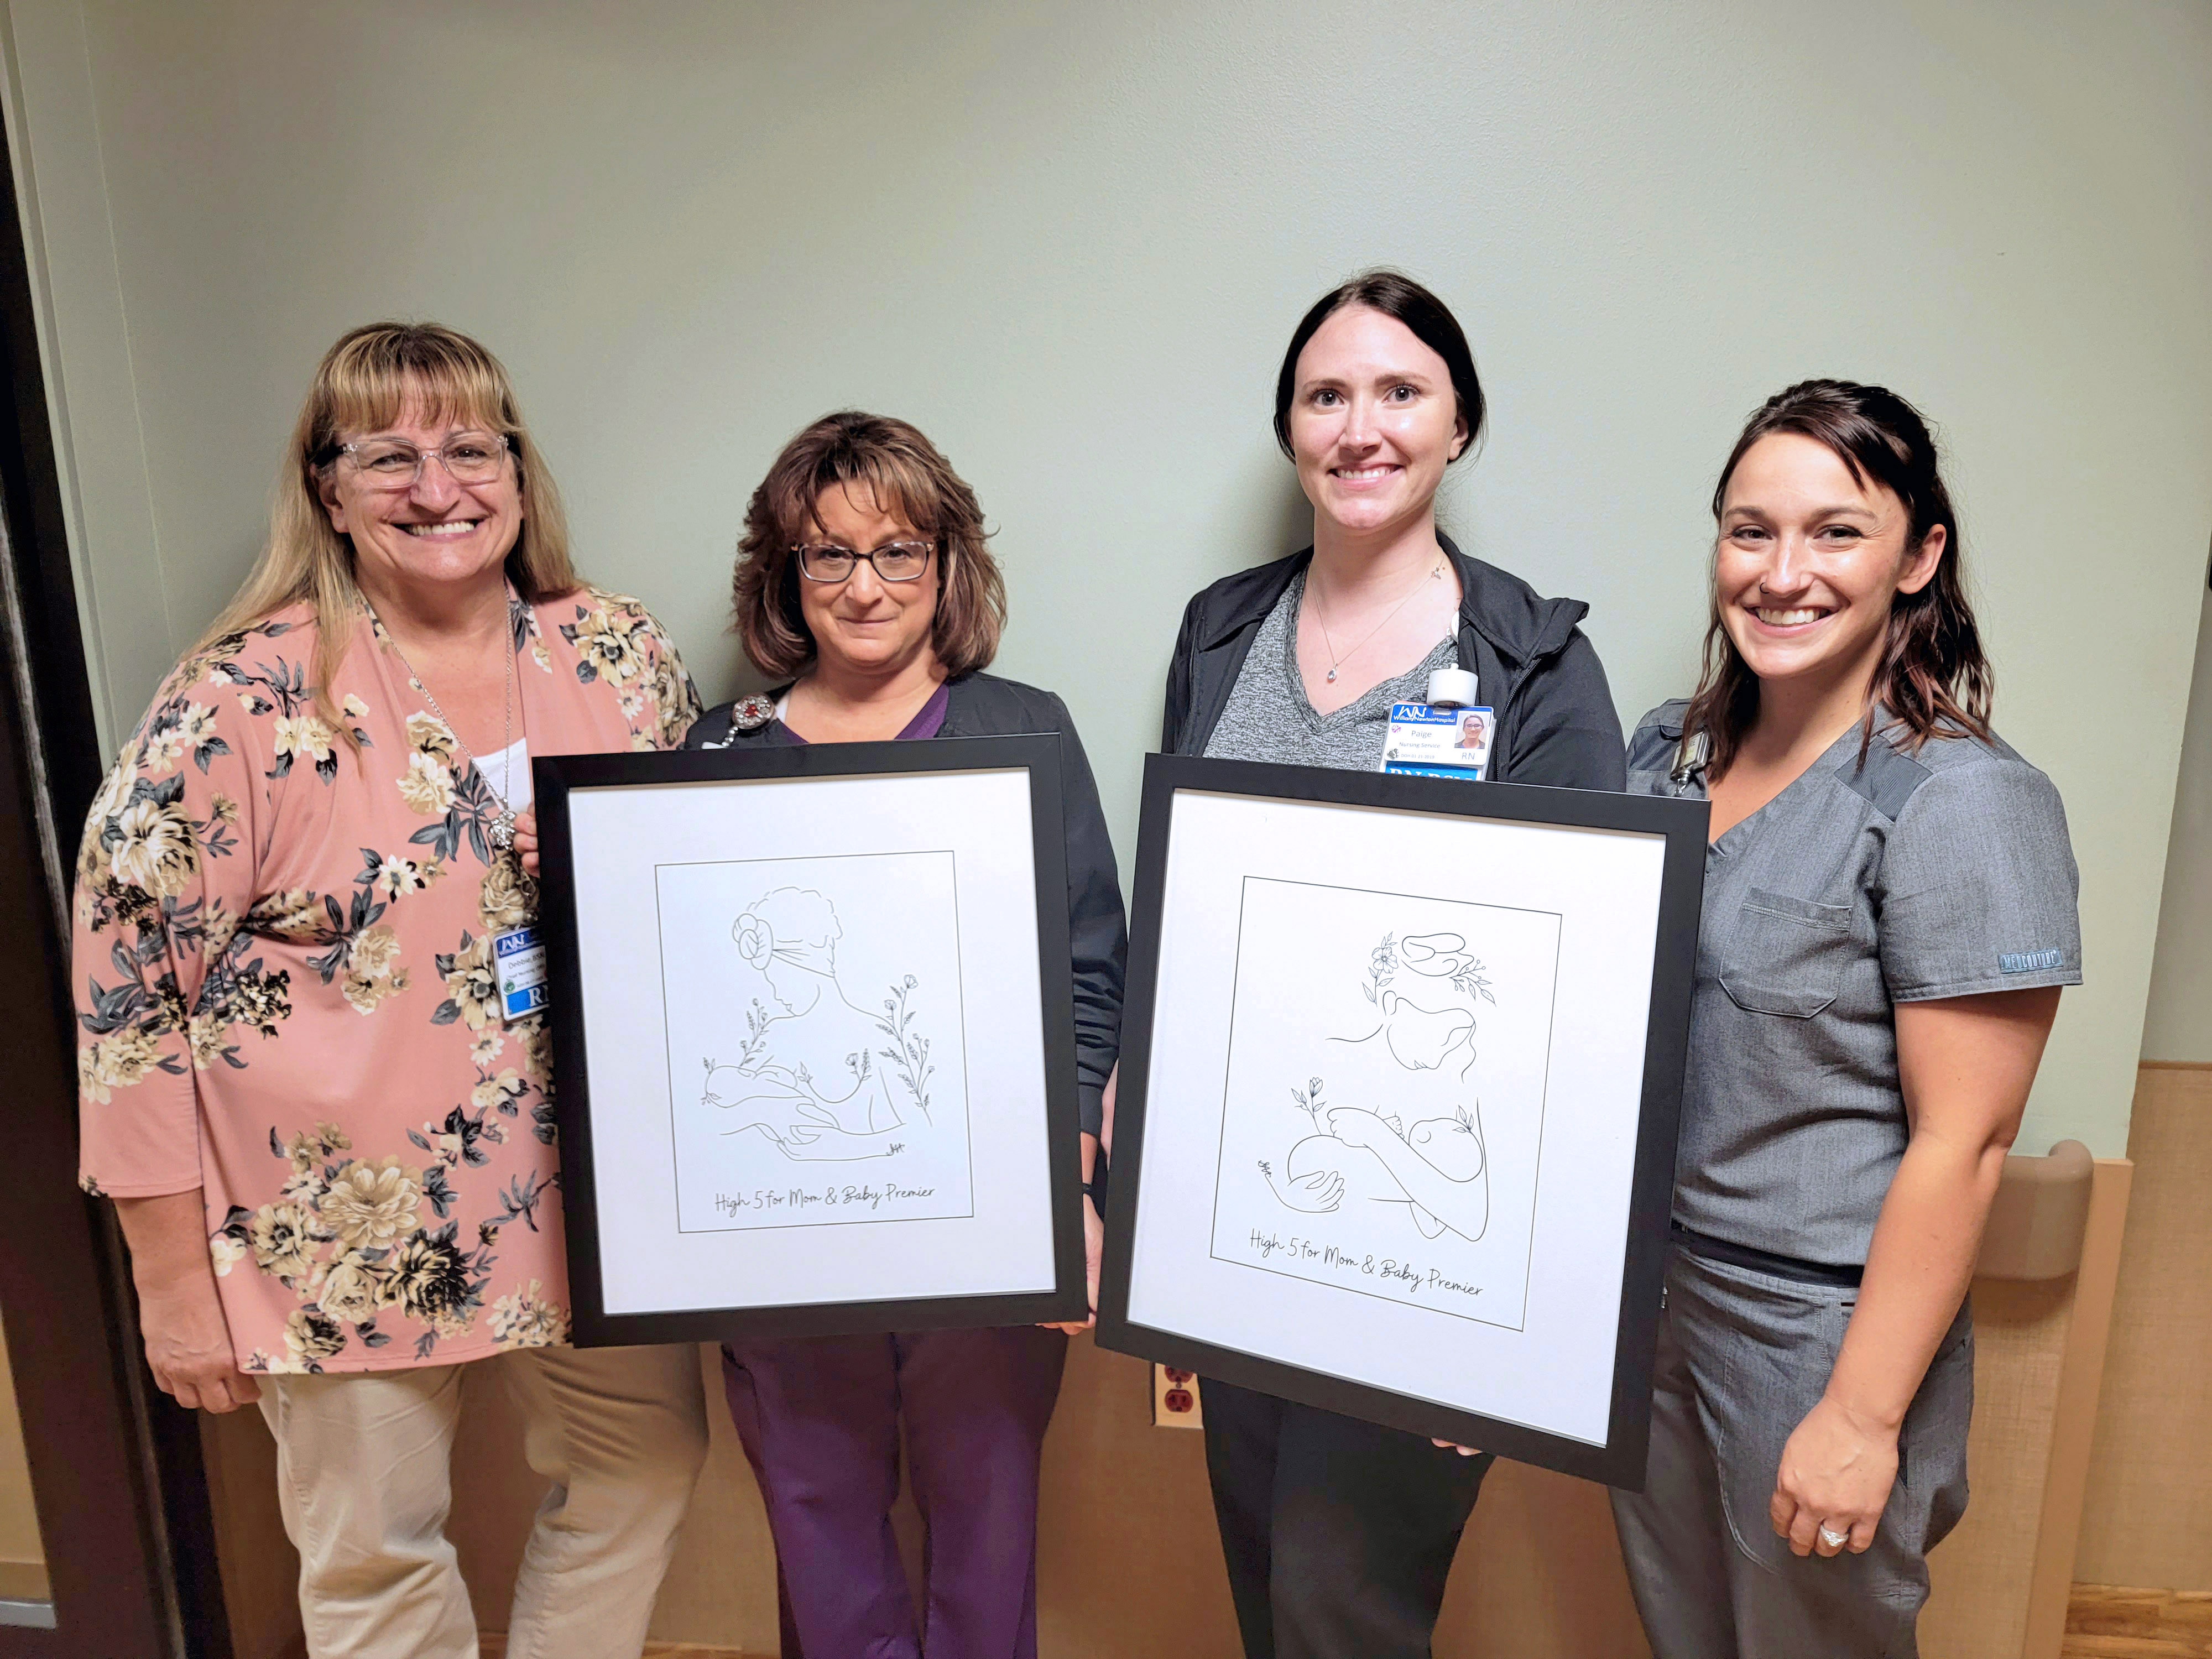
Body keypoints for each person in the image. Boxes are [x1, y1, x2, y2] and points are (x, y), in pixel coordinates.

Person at [71, 322, 709, 1659]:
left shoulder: (617, 655)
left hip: (601, 1200)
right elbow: (127, 996)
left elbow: (697, 902)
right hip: (339, 1225)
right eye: (390, 456)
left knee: (643, 1470)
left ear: (518, 474)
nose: (438, 487)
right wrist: (171, 1282)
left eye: (470, 447)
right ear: (327, 488)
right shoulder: (242, 698)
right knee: (374, 1560)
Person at [1159, 270, 1625, 1659]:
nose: (1360, 426)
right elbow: (1184, 899)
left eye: (1399, 391)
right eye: (1326, 395)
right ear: (1291, 430)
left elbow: (1577, 984)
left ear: (1458, 426)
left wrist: (1506, 1326)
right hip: (1249, 1205)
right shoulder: (1217, 631)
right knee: (1261, 1577)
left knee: (1339, 1605)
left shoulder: (1535, 663)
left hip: (1428, 1233)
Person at [1612, 379, 2078, 1657]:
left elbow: (1962, 1145)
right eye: (1747, 530)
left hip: (1812, 1335)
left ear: (1917, 555)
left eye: (1834, 531)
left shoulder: (1960, 805)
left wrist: (1860, 1419)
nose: (1780, 572)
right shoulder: (1665, 758)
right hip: (1647, 1303)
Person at [669, 409, 1124, 1659]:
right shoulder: (720, 751)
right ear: (785, 574)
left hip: (985, 1220)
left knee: (987, 1516)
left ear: (946, 565)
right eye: (828, 555)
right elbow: (687, 1003)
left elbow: (1091, 977)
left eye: (898, 552)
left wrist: (1073, 1185)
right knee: (815, 1513)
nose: (863, 587)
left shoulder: (1024, 729)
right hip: (783, 1233)